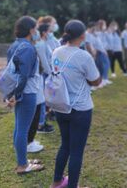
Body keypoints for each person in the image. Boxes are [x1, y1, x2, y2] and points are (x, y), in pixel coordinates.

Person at [50, 20, 101, 188]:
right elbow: (95, 81)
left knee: (65, 144)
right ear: (82, 35)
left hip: (60, 106)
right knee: (76, 151)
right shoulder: (84, 56)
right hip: (80, 109)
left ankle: (57, 181)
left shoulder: (56, 51)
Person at [6, 16, 45, 174]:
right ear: (30, 30)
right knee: (23, 129)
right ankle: (22, 165)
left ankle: (22, 160)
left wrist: (12, 93)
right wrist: (17, 94)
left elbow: (12, 73)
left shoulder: (15, 45)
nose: (36, 31)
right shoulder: (28, 48)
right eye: (35, 28)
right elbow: (24, 75)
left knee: (19, 127)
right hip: (27, 93)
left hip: (19, 91)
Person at [27, 23, 52, 153]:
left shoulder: (38, 44)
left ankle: (31, 139)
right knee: (39, 105)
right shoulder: (39, 44)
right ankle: (31, 139)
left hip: (40, 76)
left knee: (40, 104)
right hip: (39, 78)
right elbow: (44, 60)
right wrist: (51, 72)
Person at [85, 22, 110, 87]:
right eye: (93, 28)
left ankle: (99, 81)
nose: (94, 29)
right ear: (90, 27)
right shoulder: (87, 34)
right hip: (91, 54)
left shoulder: (93, 34)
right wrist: (92, 53)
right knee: (91, 70)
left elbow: (96, 43)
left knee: (98, 67)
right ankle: (92, 85)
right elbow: (88, 45)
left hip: (97, 52)